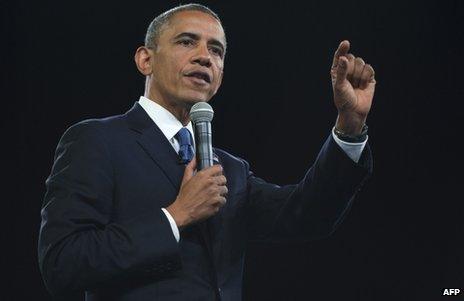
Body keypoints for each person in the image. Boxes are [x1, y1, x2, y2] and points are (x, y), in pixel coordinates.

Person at [38, 4, 375, 301]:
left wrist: (349, 125)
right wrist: (175, 216)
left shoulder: (230, 168)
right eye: (187, 42)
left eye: (217, 50)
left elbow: (306, 216)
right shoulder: (97, 141)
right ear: (146, 59)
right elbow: (63, 264)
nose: (204, 56)